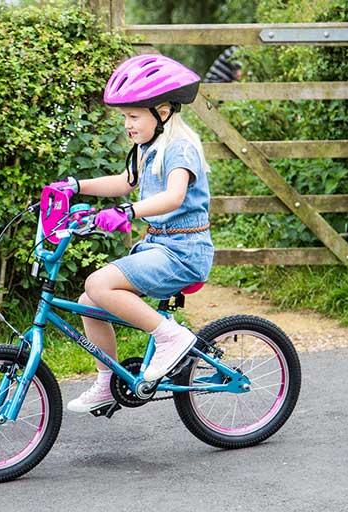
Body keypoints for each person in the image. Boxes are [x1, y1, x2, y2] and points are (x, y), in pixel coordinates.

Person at [49, 54, 214, 413]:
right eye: (125, 116)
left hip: (185, 250)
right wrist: (75, 186)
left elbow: (174, 196)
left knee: (98, 283)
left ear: (164, 111)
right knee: (90, 302)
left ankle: (172, 337)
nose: (127, 124)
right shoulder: (147, 147)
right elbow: (125, 183)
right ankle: (108, 382)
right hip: (158, 246)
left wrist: (129, 212)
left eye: (134, 116)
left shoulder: (180, 147)